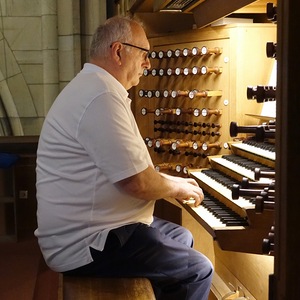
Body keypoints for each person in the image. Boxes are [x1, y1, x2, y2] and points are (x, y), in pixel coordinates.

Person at [34, 15, 213, 300]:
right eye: (144, 54)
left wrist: (168, 179)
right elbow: (138, 183)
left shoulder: (97, 88)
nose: (148, 63)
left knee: (182, 237)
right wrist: (177, 187)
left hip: (94, 228)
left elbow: (132, 169)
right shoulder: (100, 95)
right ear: (118, 51)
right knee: (198, 270)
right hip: (86, 242)